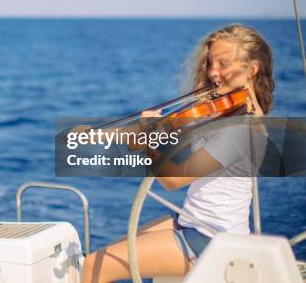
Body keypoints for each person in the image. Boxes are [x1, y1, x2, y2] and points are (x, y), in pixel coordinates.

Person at [81, 24, 274, 282]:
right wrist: (100, 135)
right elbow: (157, 136)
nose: (214, 72)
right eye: (210, 63)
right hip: (191, 222)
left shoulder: (242, 128)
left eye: (224, 64)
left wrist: (149, 140)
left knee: (94, 266)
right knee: (102, 255)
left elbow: (172, 180)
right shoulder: (222, 111)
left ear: (252, 69)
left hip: (211, 238)